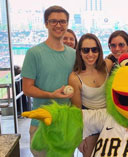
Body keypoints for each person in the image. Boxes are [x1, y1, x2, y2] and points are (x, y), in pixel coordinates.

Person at [21, 5, 75, 156]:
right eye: (53, 21)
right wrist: (52, 95)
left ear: (67, 24)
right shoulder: (34, 53)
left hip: (65, 124)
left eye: (62, 21)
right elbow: (27, 88)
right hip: (41, 125)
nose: (58, 25)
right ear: (46, 24)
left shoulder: (73, 54)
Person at [68, 33, 112, 157]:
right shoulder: (75, 77)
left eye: (94, 49)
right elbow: (76, 110)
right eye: (86, 50)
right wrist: (80, 137)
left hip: (109, 121)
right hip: (90, 125)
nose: (90, 54)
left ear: (99, 50)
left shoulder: (107, 66)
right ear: (80, 52)